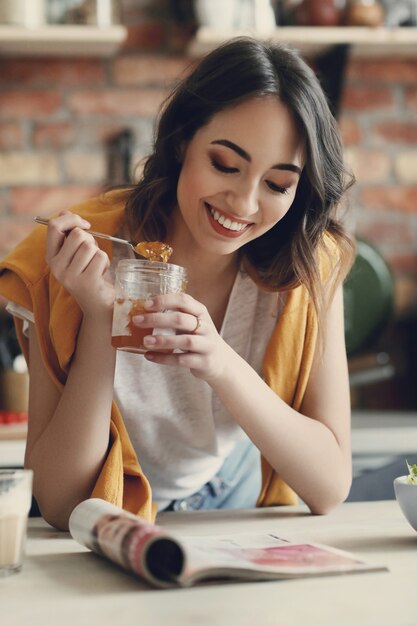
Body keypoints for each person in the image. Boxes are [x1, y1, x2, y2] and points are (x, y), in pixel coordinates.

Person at [0, 37, 355, 531]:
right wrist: (102, 317)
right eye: (225, 165)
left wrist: (220, 362)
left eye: (277, 184)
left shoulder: (308, 264)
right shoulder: (68, 261)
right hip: (107, 518)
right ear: (183, 140)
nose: (244, 204)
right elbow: (60, 502)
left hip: (231, 505)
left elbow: (330, 485)